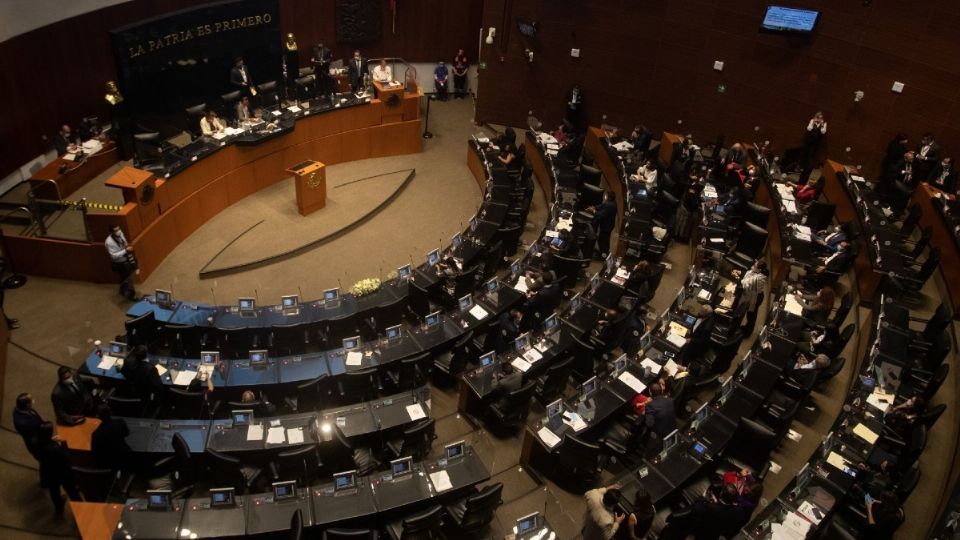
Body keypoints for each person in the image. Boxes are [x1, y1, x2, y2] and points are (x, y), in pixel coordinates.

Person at [660, 483, 746, 540]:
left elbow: (696, 508)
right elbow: (724, 510)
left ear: (721, 494)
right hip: (715, 535)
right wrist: (717, 503)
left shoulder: (709, 508)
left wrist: (703, 497)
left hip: (701, 534)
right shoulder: (739, 511)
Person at [36, 422, 81, 515]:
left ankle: (58, 507)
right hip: (62, 473)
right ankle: (80, 508)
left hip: (49, 473)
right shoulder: (55, 448)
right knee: (72, 491)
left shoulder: (39, 443)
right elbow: (67, 457)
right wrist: (62, 443)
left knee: (54, 491)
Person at [91, 404, 131, 471]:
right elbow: (127, 433)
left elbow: (94, 452)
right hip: (123, 457)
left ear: (98, 416)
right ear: (111, 412)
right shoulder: (121, 422)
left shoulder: (96, 434)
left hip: (106, 462)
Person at [734, 259, 767, 336]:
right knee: (746, 311)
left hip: (755, 298)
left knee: (751, 315)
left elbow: (745, 284)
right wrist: (740, 272)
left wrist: (737, 277)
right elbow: (749, 273)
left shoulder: (759, 279)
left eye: (754, 266)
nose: (752, 266)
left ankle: (747, 332)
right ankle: (737, 326)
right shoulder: (758, 271)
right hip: (751, 294)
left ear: (759, 270)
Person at [105, 224, 138, 300]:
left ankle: (123, 288)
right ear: (111, 232)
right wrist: (125, 251)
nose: (118, 231)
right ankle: (132, 296)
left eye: (119, 229)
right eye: (116, 230)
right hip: (120, 263)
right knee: (129, 279)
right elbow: (113, 256)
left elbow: (124, 243)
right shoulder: (109, 242)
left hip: (126, 259)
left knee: (127, 278)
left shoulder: (121, 233)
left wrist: (127, 248)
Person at [13, 392, 45, 459]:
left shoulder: (24, 409)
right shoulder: (22, 423)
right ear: (27, 405)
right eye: (31, 400)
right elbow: (33, 439)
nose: (33, 401)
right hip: (38, 445)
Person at [590, 191, 618, 259]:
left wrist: (594, 211)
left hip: (606, 226)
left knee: (602, 240)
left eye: (606, 195)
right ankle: (605, 252)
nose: (605, 197)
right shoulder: (612, 203)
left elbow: (602, 215)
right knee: (606, 240)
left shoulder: (609, 205)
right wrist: (594, 207)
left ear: (608, 197)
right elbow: (601, 206)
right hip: (609, 225)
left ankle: (603, 255)